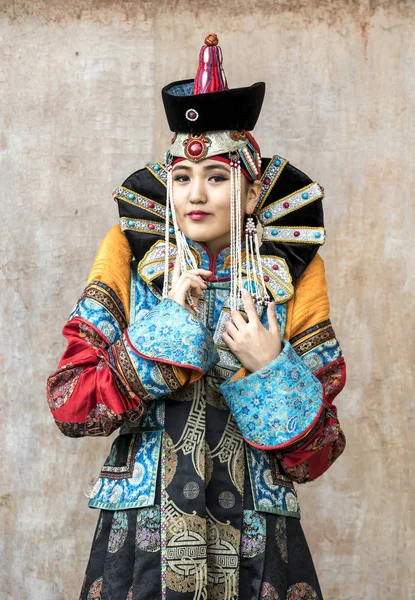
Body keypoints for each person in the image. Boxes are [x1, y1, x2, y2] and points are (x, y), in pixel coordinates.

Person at [47, 34, 346, 600]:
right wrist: (162, 334)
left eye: (217, 176)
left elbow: (318, 454)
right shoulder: (129, 258)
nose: (195, 194)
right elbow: (70, 404)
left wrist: (270, 366)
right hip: (145, 537)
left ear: (253, 193)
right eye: (182, 178)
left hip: (256, 533)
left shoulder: (293, 275)